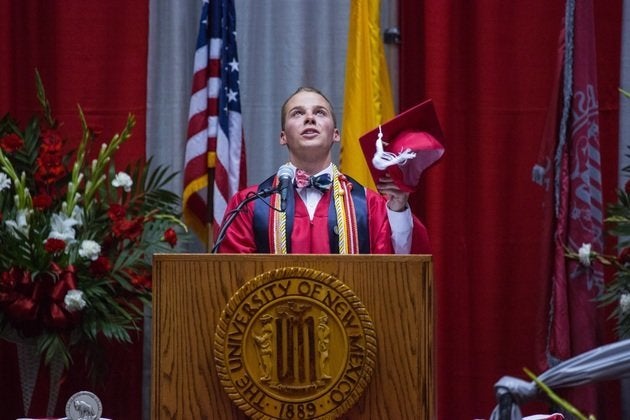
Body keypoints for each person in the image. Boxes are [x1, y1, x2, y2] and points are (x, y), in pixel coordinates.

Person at [216, 87, 431, 254]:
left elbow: (398, 271)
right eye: (297, 114)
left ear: (336, 134)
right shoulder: (251, 206)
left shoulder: (371, 205)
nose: (309, 118)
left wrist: (398, 210)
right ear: (283, 136)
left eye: (320, 112)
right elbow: (232, 279)